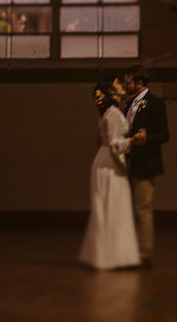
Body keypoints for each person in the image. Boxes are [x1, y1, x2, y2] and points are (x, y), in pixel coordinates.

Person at [77, 76, 141, 270]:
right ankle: (111, 256)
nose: (122, 85)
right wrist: (132, 140)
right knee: (112, 208)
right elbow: (114, 144)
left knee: (110, 208)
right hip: (110, 164)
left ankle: (110, 255)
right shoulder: (112, 113)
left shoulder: (108, 112)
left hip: (105, 161)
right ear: (110, 91)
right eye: (118, 84)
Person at [123, 65, 168, 268]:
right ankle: (128, 250)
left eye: (128, 82)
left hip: (145, 162)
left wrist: (146, 138)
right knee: (128, 209)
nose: (125, 85)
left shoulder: (155, 103)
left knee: (143, 208)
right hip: (128, 161)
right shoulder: (129, 104)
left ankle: (145, 253)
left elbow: (164, 134)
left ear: (139, 82)